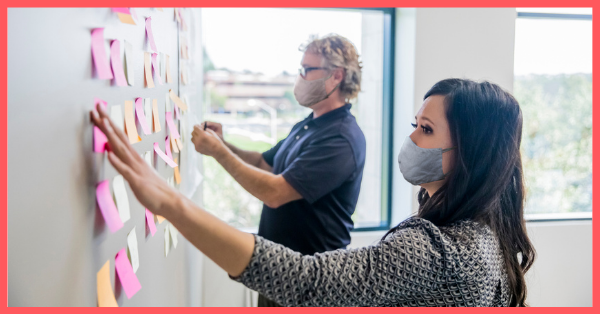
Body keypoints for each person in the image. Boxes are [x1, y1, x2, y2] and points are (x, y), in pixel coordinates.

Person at [90, 78, 536, 307]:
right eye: (413, 125)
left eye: (426, 129)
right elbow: (268, 161)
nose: (412, 140)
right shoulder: (483, 230)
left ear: (469, 154)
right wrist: (224, 147)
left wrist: (172, 204)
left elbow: (307, 277)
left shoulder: (437, 248)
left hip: (303, 261)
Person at [191, 35, 366, 306]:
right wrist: (223, 143)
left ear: (336, 76)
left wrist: (217, 151)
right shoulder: (309, 124)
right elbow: (265, 164)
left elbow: (275, 192)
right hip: (280, 272)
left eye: (308, 70)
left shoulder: (340, 138)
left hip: (311, 282)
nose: (300, 77)